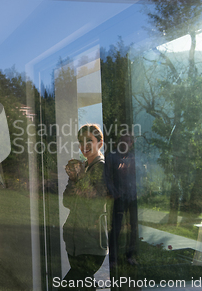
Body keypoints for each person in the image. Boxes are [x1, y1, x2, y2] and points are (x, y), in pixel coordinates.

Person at [61, 124, 109, 290]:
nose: (84, 145)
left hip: (91, 243)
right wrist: (74, 179)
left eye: (90, 140)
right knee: (84, 286)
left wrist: (80, 178)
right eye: (81, 141)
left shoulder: (101, 167)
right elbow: (67, 201)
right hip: (74, 242)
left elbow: (96, 204)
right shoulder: (82, 167)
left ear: (100, 143)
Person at [105, 134, 138, 269]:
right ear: (119, 142)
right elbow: (106, 177)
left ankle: (130, 256)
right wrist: (114, 192)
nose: (125, 143)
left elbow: (140, 176)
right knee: (116, 228)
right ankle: (112, 259)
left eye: (128, 141)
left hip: (132, 197)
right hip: (120, 197)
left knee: (134, 227)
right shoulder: (112, 157)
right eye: (122, 141)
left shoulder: (133, 158)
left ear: (131, 144)